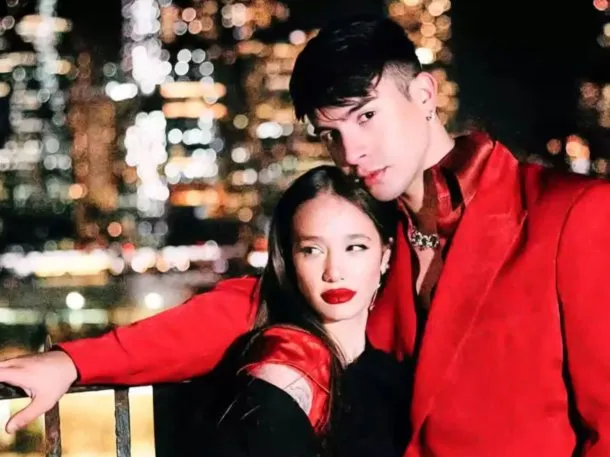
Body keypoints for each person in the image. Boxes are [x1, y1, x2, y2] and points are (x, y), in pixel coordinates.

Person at [1, 13, 610, 457]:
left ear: (425, 95)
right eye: (331, 133)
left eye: (367, 115)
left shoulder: (570, 215)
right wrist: (72, 362)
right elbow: (254, 304)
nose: (353, 150)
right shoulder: (374, 236)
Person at [198, 165, 406, 457]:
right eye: (312, 250)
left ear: (385, 256)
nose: (333, 272)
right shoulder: (287, 364)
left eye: (355, 247)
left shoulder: (390, 370)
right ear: (290, 260)